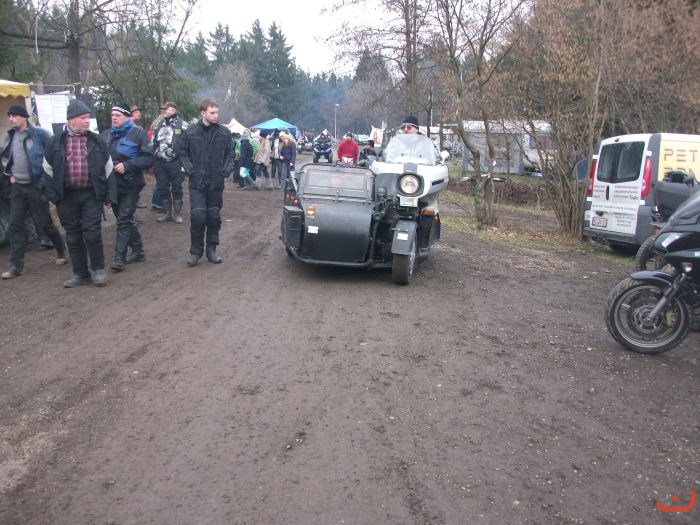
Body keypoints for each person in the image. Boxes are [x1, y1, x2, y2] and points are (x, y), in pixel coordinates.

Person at [43, 99, 116, 288]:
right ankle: (80, 274)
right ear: (71, 119)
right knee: (73, 236)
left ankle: (98, 269)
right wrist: (54, 196)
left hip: (91, 194)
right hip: (66, 197)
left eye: (88, 118)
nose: (87, 121)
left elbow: (108, 169)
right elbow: (47, 170)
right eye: (83, 118)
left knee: (92, 233)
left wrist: (110, 196)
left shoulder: (97, 141)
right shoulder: (55, 142)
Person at [0, 104, 67, 279]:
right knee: (15, 225)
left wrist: (46, 181)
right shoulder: (11, 136)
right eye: (10, 116)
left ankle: (61, 248)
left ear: (24, 117)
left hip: (36, 186)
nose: (11, 119)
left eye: (14, 116)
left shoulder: (40, 135)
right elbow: (5, 157)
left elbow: (53, 155)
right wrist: (9, 174)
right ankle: (16, 265)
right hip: (18, 187)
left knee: (45, 224)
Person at [177, 99, 234, 266]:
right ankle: (195, 252)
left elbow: (230, 154)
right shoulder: (190, 132)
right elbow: (182, 152)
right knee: (198, 216)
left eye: (217, 112)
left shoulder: (224, 132)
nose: (216, 115)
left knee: (214, 217)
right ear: (203, 113)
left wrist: (225, 170)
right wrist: (190, 170)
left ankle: (211, 250)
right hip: (197, 182)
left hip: (216, 182)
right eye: (212, 112)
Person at [101, 102, 153, 271]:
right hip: (112, 185)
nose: (114, 118)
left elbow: (149, 158)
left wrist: (127, 165)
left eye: (118, 115)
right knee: (125, 219)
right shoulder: (105, 135)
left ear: (127, 117)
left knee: (123, 219)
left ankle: (119, 258)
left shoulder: (138, 134)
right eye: (112, 115)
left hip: (131, 184)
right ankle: (138, 251)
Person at [152, 101, 188, 223]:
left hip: (176, 162)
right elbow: (153, 142)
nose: (163, 111)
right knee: (162, 188)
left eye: (165, 109)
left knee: (177, 188)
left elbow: (189, 142)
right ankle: (167, 213)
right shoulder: (158, 124)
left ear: (173, 110)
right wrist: (154, 154)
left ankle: (177, 214)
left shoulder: (182, 124)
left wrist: (185, 159)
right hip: (160, 162)